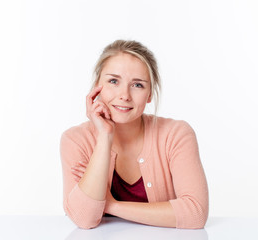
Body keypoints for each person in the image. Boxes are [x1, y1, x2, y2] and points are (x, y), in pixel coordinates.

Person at [60, 40, 209, 229]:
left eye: (137, 85)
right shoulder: (75, 140)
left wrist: (111, 205)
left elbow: (195, 214)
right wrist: (105, 137)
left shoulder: (176, 134)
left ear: (149, 94)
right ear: (97, 86)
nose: (125, 95)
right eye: (113, 81)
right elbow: (84, 219)